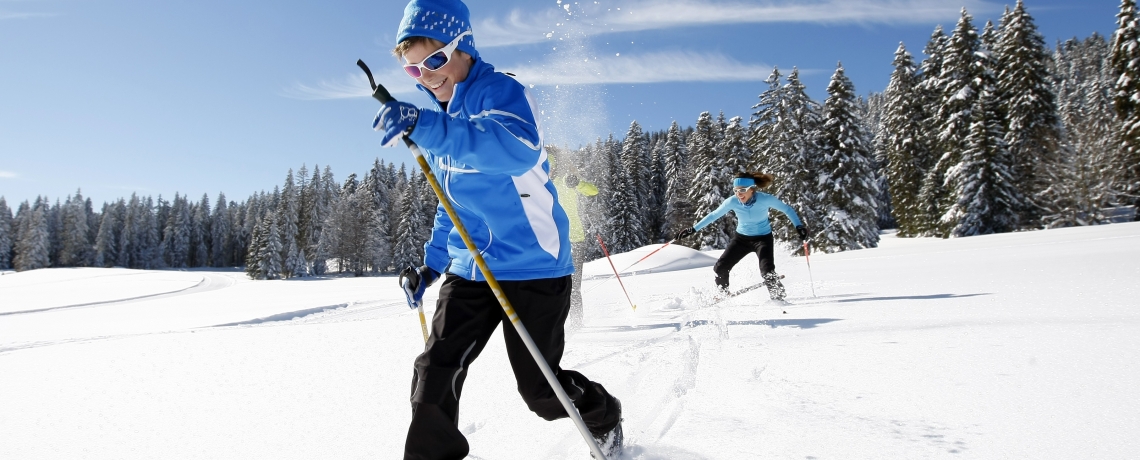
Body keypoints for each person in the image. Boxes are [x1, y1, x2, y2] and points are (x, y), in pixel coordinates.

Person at [371, 1, 622, 458]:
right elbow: (452, 205)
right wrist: (430, 266)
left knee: (541, 392)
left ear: (463, 47)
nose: (426, 76)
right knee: (434, 368)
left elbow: (514, 150)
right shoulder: (442, 124)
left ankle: (604, 414)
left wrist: (426, 126)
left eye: (434, 60)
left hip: (533, 265)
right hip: (472, 268)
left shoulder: (500, 92)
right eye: (413, 71)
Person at [674, 172, 809, 301]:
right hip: (741, 239)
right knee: (720, 267)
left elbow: (787, 209)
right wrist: (693, 229)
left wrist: (799, 226)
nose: (739, 194)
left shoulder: (765, 199)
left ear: (752, 189)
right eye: (736, 190)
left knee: (767, 271)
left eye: (742, 190)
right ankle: (723, 293)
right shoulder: (732, 201)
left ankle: (778, 297)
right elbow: (714, 215)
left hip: (763, 239)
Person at [548, 149, 598, 331]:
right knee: (553, 284)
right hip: (553, 242)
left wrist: (577, 182)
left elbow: (593, 191)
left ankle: (577, 323)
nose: (548, 170)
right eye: (545, 166)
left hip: (575, 240)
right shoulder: (539, 187)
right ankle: (554, 324)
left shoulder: (565, 181)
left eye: (550, 166)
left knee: (573, 286)